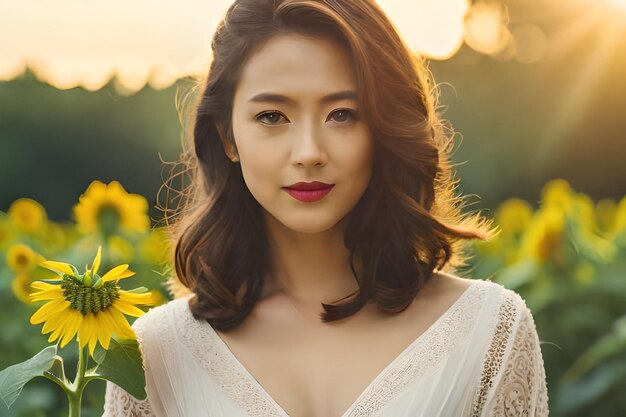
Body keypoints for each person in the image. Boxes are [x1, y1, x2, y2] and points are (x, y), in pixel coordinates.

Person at [102, 0, 549, 415]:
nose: (309, 152)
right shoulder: (152, 354)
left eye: (342, 114)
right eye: (272, 117)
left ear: (382, 127)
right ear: (226, 137)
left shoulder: (489, 333)